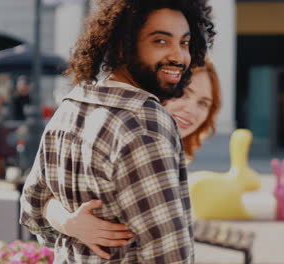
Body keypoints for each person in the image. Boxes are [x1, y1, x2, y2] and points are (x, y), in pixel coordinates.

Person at [20, 0, 215, 262]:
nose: (179, 57)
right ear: (124, 46)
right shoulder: (145, 123)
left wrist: (67, 222)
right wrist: (69, 222)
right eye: (160, 41)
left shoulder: (72, 106)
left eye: (184, 43)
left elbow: (32, 208)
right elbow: (168, 254)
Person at [42, 60, 222, 259]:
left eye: (203, 103)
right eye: (184, 93)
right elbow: (42, 196)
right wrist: (69, 223)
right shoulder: (121, 133)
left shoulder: (170, 149)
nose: (191, 109)